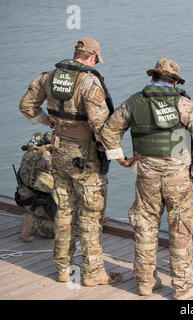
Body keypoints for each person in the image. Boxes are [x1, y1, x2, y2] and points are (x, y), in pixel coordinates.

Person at [99, 58, 193, 299]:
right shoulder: (183, 104)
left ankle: (144, 282)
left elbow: (108, 132)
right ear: (174, 83)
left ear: (152, 78)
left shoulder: (134, 102)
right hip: (179, 176)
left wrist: (121, 159)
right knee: (180, 228)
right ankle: (183, 287)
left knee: (145, 225)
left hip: (146, 174)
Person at [18, 38, 121, 286]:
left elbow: (26, 106)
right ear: (93, 57)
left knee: (64, 210)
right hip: (84, 158)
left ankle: (63, 268)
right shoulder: (89, 82)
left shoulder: (49, 77)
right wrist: (119, 156)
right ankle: (93, 272)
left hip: (58, 151)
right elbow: (101, 127)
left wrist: (49, 122)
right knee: (90, 214)